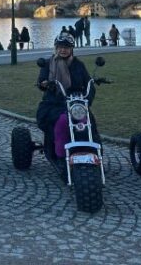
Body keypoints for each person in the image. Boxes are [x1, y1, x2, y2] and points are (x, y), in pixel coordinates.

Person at [35, 33, 96, 177]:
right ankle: (60, 155)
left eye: (67, 47)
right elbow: (41, 81)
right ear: (56, 48)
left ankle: (93, 153)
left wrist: (88, 99)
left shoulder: (78, 64)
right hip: (54, 102)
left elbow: (88, 83)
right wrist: (44, 84)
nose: (63, 50)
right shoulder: (48, 63)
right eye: (60, 47)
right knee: (63, 121)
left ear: (72, 49)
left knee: (88, 121)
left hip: (76, 103)